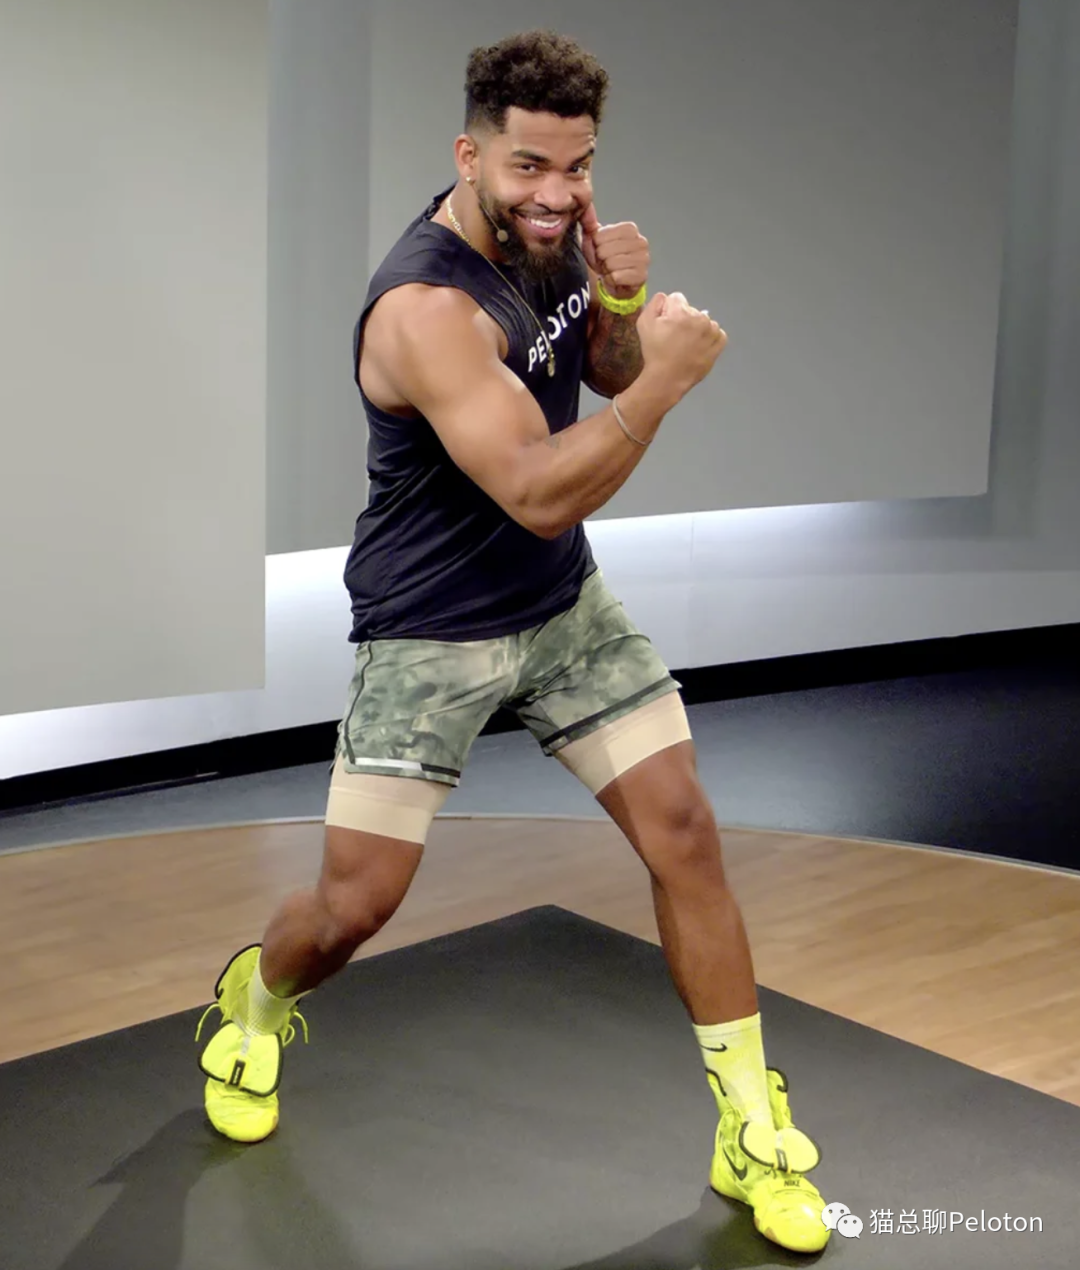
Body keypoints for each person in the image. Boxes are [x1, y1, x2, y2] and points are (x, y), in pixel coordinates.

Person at [195, 28, 829, 1256]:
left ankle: (752, 1131)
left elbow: (602, 370)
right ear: (469, 154)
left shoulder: (554, 242)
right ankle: (255, 1000)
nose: (556, 193)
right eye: (530, 166)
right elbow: (539, 487)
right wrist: (669, 383)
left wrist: (624, 307)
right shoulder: (425, 308)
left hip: (561, 608)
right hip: (428, 631)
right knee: (353, 908)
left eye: (576, 167)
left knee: (686, 832)